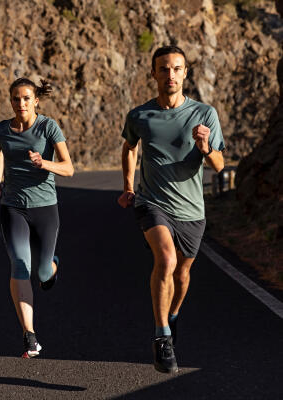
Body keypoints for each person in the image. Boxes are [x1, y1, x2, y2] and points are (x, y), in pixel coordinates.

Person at [118, 46, 225, 373]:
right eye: (163, 69)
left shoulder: (205, 114)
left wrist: (206, 148)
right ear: (153, 73)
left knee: (182, 274)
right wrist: (128, 187)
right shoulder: (139, 115)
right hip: (153, 202)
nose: (170, 75)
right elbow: (129, 148)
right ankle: (162, 336)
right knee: (165, 258)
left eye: (177, 69)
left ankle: (173, 314)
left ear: (185, 74)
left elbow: (220, 165)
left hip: (192, 209)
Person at [0, 77, 74, 358]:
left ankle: (52, 265)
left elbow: (69, 168)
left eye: (26, 98)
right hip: (13, 207)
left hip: (46, 207)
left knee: (43, 273)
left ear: (36, 100)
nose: (21, 103)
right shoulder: (1, 130)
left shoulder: (48, 127)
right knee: (20, 264)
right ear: (10, 101)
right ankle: (30, 335)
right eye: (16, 98)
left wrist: (44, 162)